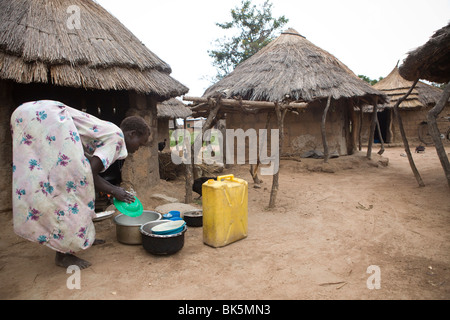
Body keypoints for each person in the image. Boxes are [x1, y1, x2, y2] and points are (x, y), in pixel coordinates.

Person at [10, 100, 150, 269]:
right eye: (140, 143)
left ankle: (82, 237)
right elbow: (88, 174)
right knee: (72, 193)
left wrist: (113, 190)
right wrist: (115, 191)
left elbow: (89, 173)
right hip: (47, 118)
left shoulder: (109, 130)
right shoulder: (117, 138)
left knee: (72, 189)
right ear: (132, 134)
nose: (138, 149)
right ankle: (64, 255)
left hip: (35, 115)